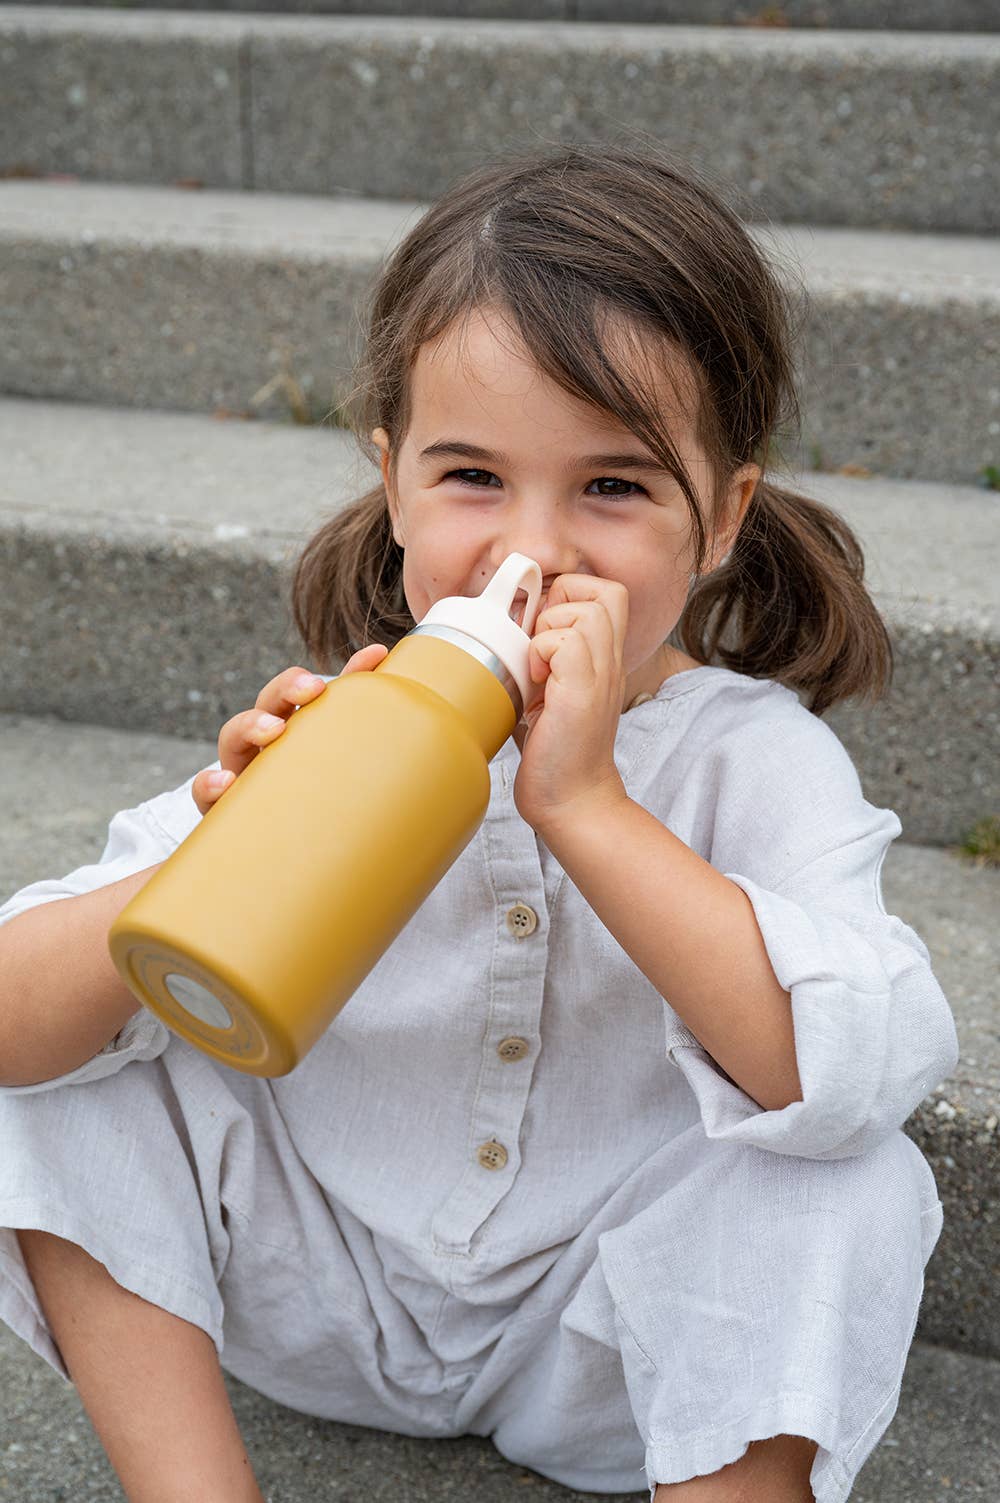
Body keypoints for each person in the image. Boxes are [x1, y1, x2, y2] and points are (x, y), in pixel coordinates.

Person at [0, 140, 959, 1503]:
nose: (534, 551)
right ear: (392, 484)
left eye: (613, 487)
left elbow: (855, 1067)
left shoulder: (754, 762)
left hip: (600, 1343)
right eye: (472, 480)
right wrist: (212, 870)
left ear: (725, 517)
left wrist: (590, 810)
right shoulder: (338, 721)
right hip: (316, 1293)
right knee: (60, 1072)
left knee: (842, 1176)